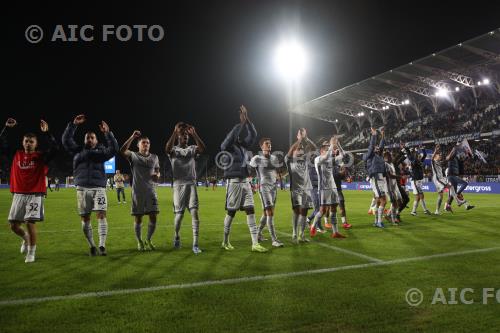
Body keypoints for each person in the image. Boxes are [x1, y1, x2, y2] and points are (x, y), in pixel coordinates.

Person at [62, 114, 119, 256]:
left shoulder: (102, 151)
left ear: (96, 140)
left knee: (101, 214)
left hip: (99, 187)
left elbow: (114, 149)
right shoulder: (77, 150)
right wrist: (73, 124)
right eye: (87, 137)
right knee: (85, 218)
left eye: (92, 137)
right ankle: (92, 245)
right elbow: (66, 140)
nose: (89, 139)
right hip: (81, 188)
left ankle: (102, 245)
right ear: (84, 140)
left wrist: (108, 133)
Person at [4, 118, 58, 263]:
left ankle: (31, 252)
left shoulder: (41, 157)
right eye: (26, 141)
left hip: (35, 194)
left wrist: (47, 133)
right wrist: (7, 129)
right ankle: (25, 238)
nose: (28, 143)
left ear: (36, 144)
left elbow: (55, 149)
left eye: (31, 141)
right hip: (19, 194)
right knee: (14, 226)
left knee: (29, 222)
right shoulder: (16, 155)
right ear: (23, 142)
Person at [220, 105, 267, 252]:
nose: (240, 136)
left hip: (246, 182)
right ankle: (225, 241)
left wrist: (247, 120)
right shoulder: (227, 146)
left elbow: (253, 134)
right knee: (231, 213)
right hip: (233, 183)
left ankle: (255, 243)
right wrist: (240, 124)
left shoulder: (244, 146)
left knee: (250, 210)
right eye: (238, 133)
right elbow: (228, 140)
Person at [165, 122, 205, 254]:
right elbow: (167, 149)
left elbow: (202, 148)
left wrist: (195, 134)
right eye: (183, 135)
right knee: (179, 216)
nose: (185, 137)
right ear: (178, 137)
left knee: (195, 213)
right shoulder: (174, 150)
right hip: (178, 185)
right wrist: (174, 132)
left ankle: (195, 244)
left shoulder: (192, 148)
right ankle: (176, 235)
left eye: (187, 135)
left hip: (191, 184)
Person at [121, 130, 160, 251]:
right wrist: (132, 137)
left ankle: (148, 239)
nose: (146, 144)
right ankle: (139, 241)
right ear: (138, 145)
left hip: (151, 191)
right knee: (138, 218)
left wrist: (157, 175)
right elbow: (122, 150)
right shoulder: (134, 156)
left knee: (153, 217)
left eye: (148, 143)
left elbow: (157, 170)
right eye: (143, 142)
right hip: (138, 192)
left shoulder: (155, 157)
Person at [249, 137, 284, 248]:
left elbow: (277, 171)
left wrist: (280, 181)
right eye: (267, 143)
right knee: (270, 213)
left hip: (274, 188)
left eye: (270, 143)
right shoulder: (257, 158)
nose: (269, 145)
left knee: (266, 213)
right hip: (263, 188)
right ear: (261, 146)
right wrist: (251, 185)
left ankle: (258, 234)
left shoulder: (274, 158)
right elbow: (249, 171)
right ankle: (274, 240)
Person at [285, 128, 317, 243]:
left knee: (304, 212)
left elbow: (314, 148)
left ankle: (301, 235)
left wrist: (306, 138)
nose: (300, 151)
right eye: (298, 149)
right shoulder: (289, 160)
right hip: (296, 189)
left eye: (301, 149)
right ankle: (294, 234)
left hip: (306, 188)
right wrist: (299, 140)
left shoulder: (306, 159)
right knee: (297, 211)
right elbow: (291, 150)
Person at [310, 137, 346, 238]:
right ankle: (313, 225)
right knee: (322, 210)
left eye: (328, 147)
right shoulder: (318, 159)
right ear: (321, 150)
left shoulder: (331, 159)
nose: (329, 149)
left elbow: (343, 155)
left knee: (333, 209)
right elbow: (325, 157)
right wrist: (331, 145)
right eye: (326, 148)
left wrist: (338, 145)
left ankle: (335, 232)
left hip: (333, 187)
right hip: (323, 188)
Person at [363, 128, 387, 228]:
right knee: (383, 200)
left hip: (381, 179)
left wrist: (383, 135)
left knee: (378, 201)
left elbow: (381, 146)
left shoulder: (378, 155)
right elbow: (372, 146)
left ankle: (376, 221)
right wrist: (374, 135)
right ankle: (379, 221)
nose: (377, 148)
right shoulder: (369, 155)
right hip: (376, 178)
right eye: (375, 147)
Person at [445, 142, 475, 212]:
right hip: (451, 176)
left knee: (452, 195)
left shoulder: (456, 159)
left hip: (454, 176)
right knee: (465, 184)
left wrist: (468, 155)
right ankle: (458, 196)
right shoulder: (450, 157)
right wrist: (458, 146)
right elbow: (454, 152)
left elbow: (462, 160)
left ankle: (448, 206)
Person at [405, 145, 431, 216]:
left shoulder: (419, 161)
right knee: (420, 196)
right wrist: (416, 151)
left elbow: (424, 155)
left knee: (419, 197)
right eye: (418, 155)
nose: (419, 156)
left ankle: (415, 211)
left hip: (419, 181)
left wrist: (422, 149)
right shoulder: (414, 162)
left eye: (419, 155)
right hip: (415, 181)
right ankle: (422, 210)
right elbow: (414, 158)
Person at [384, 151, 403, 225]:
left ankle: (388, 214)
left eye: (391, 156)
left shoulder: (391, 164)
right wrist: (399, 176)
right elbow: (390, 175)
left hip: (395, 186)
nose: (391, 157)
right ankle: (393, 219)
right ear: (386, 157)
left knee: (400, 202)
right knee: (394, 203)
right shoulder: (385, 164)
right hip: (389, 187)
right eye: (390, 156)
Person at [431, 144, 450, 215]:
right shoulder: (433, 162)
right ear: (436, 156)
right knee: (450, 187)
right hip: (437, 179)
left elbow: (444, 161)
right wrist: (436, 150)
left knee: (441, 195)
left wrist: (448, 157)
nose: (440, 156)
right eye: (439, 155)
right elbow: (432, 158)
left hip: (441, 179)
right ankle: (456, 202)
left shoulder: (439, 162)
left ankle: (437, 211)